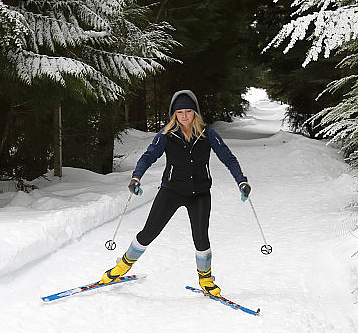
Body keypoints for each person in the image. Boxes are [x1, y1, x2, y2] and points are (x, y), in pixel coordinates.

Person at [99, 89, 252, 297]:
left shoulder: (207, 133)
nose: (184, 116)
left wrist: (241, 181)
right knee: (149, 232)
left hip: (200, 193)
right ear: (174, 114)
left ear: (195, 113)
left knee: (201, 237)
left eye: (188, 111)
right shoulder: (167, 135)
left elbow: (228, 157)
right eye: (180, 112)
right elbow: (148, 156)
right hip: (171, 190)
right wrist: (136, 177)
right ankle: (121, 267)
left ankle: (205, 279)